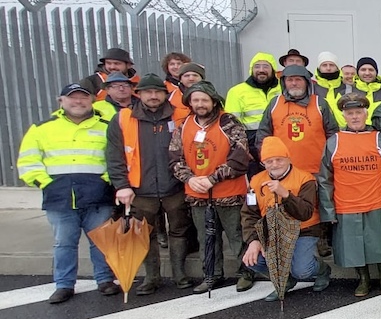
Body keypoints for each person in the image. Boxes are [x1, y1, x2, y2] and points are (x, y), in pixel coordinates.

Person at [17, 83, 119, 302]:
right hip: (60, 197)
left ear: (92, 100)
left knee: (102, 241)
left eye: (83, 98)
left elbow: (117, 159)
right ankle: (64, 284)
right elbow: (28, 160)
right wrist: (46, 183)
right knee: (64, 243)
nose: (79, 102)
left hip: (98, 196)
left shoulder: (106, 126)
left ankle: (105, 280)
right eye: (73, 98)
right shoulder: (42, 128)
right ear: (61, 101)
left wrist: (106, 182)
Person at [106, 74, 195, 294]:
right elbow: (114, 156)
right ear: (139, 94)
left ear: (165, 94)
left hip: (175, 186)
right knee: (144, 234)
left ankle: (179, 274)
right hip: (140, 189)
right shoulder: (123, 118)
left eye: (158, 92)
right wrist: (122, 185)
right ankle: (152, 277)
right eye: (148, 92)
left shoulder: (182, 116)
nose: (153, 96)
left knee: (178, 231)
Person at [168, 81, 252, 293]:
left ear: (214, 101)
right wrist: (189, 178)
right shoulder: (184, 125)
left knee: (237, 236)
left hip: (229, 193)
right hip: (197, 194)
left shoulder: (229, 122)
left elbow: (240, 157)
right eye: (195, 100)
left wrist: (213, 179)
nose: (200, 104)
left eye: (204, 99)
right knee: (206, 238)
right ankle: (212, 275)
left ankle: (246, 272)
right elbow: (174, 158)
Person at [318, 93, 381, 298]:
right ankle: (363, 279)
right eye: (350, 113)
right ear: (344, 116)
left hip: (376, 201)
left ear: (365, 114)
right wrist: (328, 210)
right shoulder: (334, 141)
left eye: (358, 112)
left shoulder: (378, 138)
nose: (355, 117)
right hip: (346, 204)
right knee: (353, 247)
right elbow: (324, 178)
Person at [240, 136, 330, 301]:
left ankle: (322, 269)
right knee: (252, 261)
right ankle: (285, 280)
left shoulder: (305, 178)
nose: (274, 164)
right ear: (263, 163)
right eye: (269, 161)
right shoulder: (256, 181)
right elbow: (249, 214)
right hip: (273, 232)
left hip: (304, 229)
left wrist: (286, 195)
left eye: (279, 159)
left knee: (302, 270)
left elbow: (306, 212)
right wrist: (254, 240)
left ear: (288, 158)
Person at [257, 64, 338, 175]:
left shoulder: (320, 103)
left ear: (306, 82)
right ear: (284, 82)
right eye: (290, 80)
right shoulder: (274, 103)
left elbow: (332, 134)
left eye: (298, 79)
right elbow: (263, 135)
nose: (294, 83)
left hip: (317, 171)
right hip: (282, 171)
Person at [225, 52, 282, 149]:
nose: (261, 70)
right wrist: (243, 148)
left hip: (281, 139)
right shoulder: (236, 92)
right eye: (257, 66)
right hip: (250, 143)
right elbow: (232, 124)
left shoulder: (283, 88)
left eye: (266, 66)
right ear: (251, 69)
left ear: (273, 69)